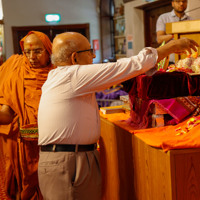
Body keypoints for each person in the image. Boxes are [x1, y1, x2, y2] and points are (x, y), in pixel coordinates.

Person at [37, 32, 198, 200]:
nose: (93, 56)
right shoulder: (71, 76)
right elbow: (129, 66)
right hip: (67, 160)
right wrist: (172, 47)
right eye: (89, 51)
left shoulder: (65, 76)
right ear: (75, 58)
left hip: (77, 156)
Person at [0, 31, 55, 200]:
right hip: (23, 148)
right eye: (27, 52)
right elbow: (7, 114)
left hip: (54, 147)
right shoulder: (15, 72)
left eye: (38, 51)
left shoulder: (58, 74)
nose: (32, 56)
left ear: (48, 51)